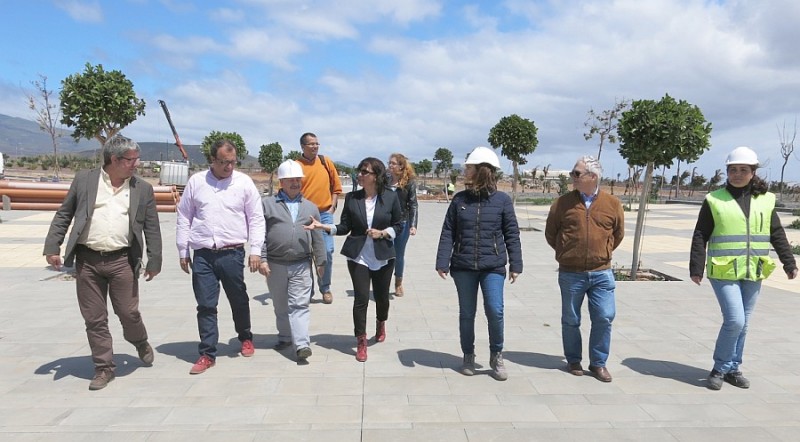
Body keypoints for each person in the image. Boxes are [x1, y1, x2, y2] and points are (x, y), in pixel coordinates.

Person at [43, 134, 162, 390]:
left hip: (122, 261)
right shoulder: (85, 180)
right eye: (131, 160)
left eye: (137, 159)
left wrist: (155, 260)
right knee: (95, 319)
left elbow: (151, 227)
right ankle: (104, 368)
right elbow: (64, 213)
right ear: (114, 159)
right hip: (88, 261)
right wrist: (53, 247)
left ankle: (140, 341)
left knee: (128, 313)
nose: (136, 165)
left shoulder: (142, 188)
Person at [690, 146, 797, 390]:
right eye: (733, 170)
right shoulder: (714, 199)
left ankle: (733, 368)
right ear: (727, 172)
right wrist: (696, 266)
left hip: (754, 270)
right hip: (723, 270)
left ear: (753, 172)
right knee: (735, 320)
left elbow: (776, 233)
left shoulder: (766, 200)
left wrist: (788, 262)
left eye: (743, 169)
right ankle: (719, 368)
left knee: (744, 323)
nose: (737, 174)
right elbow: (700, 234)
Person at [176, 139, 265, 375]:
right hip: (203, 254)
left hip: (232, 253)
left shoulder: (244, 183)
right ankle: (207, 353)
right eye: (224, 162)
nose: (229, 167)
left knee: (238, 298)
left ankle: (245, 337)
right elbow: (184, 216)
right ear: (212, 161)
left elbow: (256, 218)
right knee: (206, 305)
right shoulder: (197, 182)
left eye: (233, 162)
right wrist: (182, 250)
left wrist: (255, 250)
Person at [435, 146, 522, 381]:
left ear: (482, 171)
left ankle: (496, 355)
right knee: (467, 313)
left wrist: (516, 264)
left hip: (492, 266)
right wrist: (442, 260)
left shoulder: (502, 201)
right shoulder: (459, 200)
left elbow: (511, 233)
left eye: (469, 167)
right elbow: (448, 231)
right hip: (463, 266)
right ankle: (468, 355)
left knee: (495, 310)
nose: (465, 170)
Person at [306, 157, 402, 362]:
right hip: (358, 256)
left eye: (364, 172)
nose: (359, 174)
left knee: (382, 297)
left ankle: (381, 321)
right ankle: (361, 340)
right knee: (361, 299)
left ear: (375, 176)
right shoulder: (352, 198)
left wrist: (384, 233)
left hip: (383, 255)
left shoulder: (391, 197)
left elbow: (399, 224)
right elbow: (344, 227)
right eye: (359, 171)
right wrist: (324, 227)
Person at [545, 155, 624, 383]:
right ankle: (573, 360)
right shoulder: (562, 203)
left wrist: (603, 251)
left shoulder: (612, 204)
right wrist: (567, 251)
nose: (573, 177)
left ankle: (598, 363)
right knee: (570, 319)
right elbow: (551, 234)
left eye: (577, 173)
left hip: (602, 272)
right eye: (573, 173)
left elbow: (617, 234)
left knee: (605, 316)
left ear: (593, 176)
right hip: (571, 273)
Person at [259, 160, 326, 363]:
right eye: (291, 180)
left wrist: (321, 262)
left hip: (301, 264)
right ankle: (285, 337)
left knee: (299, 304)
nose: (296, 183)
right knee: (280, 304)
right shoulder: (267, 205)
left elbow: (317, 237)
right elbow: (259, 234)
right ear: (282, 182)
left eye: (298, 179)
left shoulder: (311, 207)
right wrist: (261, 259)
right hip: (275, 264)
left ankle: (302, 345)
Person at [296, 133, 342, 304]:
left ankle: (326, 287)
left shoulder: (325, 162)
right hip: (303, 216)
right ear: (302, 146)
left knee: (327, 252)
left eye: (317, 144)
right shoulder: (296, 165)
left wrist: (332, 207)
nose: (315, 147)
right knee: (305, 254)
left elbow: (336, 188)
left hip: (324, 215)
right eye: (311, 144)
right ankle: (308, 289)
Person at [387, 153, 418, 297]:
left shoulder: (409, 182)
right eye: (389, 163)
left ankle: (398, 283)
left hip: (402, 223)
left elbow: (413, 204)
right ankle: (383, 281)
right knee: (386, 253)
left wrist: (413, 224)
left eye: (393, 163)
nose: (390, 165)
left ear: (401, 166)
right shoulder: (384, 181)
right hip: (386, 223)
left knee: (398, 254)